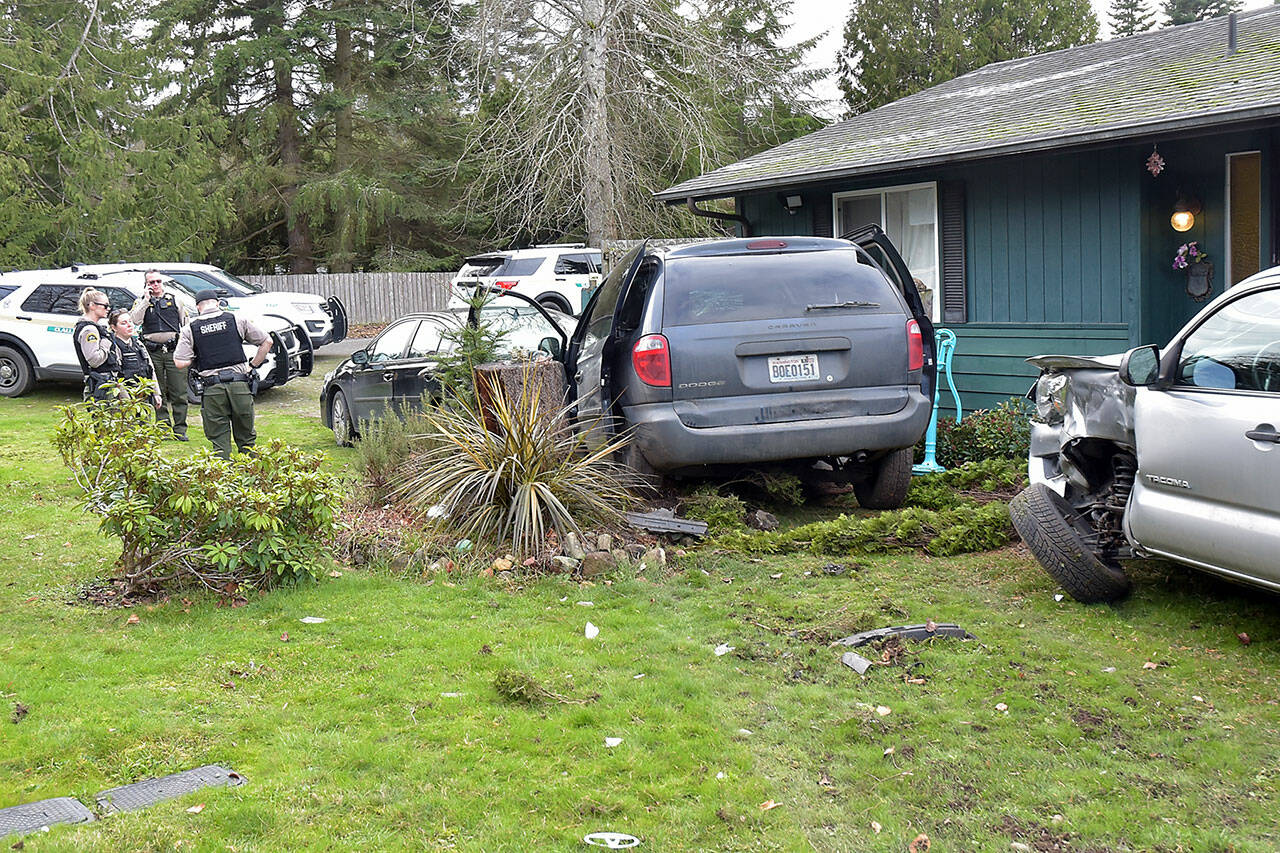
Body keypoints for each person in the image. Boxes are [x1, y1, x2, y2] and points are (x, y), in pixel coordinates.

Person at [173, 289, 272, 459]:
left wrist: (197, 356)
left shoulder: (190, 328)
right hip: (240, 385)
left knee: (219, 441)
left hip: (213, 389)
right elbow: (267, 341)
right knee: (247, 439)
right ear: (217, 303)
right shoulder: (237, 319)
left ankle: (224, 480)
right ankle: (253, 478)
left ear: (198, 307)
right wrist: (252, 365)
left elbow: (180, 362)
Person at [129, 271, 190, 440]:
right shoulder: (140, 301)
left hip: (173, 350)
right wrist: (146, 300)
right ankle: (163, 427)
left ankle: (180, 429)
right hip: (152, 351)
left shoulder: (175, 299)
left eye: (158, 281)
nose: (155, 284)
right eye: (151, 282)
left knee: (179, 390)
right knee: (157, 391)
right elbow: (134, 321)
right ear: (146, 284)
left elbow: (185, 325)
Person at [107, 310, 163, 410]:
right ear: (113, 327)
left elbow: (150, 369)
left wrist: (156, 393)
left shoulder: (139, 344)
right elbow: (115, 377)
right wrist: (128, 402)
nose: (129, 325)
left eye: (130, 322)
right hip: (124, 401)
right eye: (123, 323)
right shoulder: (113, 347)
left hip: (143, 397)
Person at [73, 289, 118, 400]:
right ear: (92, 305)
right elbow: (94, 360)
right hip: (99, 386)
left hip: (105, 383)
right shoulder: (89, 330)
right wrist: (105, 344)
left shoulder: (94, 327)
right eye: (105, 306)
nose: (108, 309)